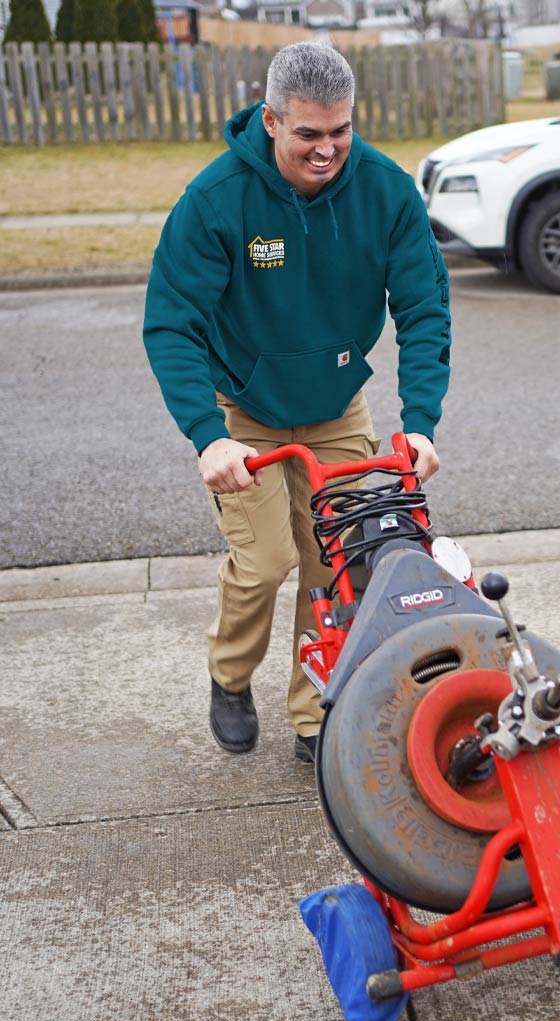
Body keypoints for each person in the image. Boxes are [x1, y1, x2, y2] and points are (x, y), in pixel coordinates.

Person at [143, 41, 451, 764]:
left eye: (339, 130)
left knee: (336, 563)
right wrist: (206, 435)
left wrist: (420, 421)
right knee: (267, 561)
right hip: (243, 411)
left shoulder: (384, 190)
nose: (327, 149)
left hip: (337, 406)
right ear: (272, 120)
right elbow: (171, 322)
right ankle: (229, 675)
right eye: (308, 133)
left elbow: (424, 306)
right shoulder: (217, 201)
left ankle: (314, 713)